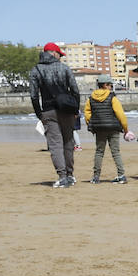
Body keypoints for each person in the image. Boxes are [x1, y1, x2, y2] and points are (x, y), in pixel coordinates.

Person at [29, 42, 80, 187]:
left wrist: (39, 113)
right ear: (54, 53)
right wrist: (75, 109)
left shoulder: (36, 70)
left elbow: (33, 95)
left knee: (55, 145)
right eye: (59, 55)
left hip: (48, 111)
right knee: (68, 142)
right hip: (67, 109)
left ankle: (62, 176)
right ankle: (70, 175)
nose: (60, 58)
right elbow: (75, 90)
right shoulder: (64, 68)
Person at [82, 74, 130, 184]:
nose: (111, 87)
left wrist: (91, 124)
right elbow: (120, 114)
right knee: (116, 152)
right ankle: (121, 175)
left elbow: (87, 114)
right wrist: (125, 129)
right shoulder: (112, 97)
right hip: (113, 128)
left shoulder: (91, 98)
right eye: (110, 85)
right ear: (105, 85)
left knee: (99, 152)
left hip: (99, 129)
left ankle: (96, 177)